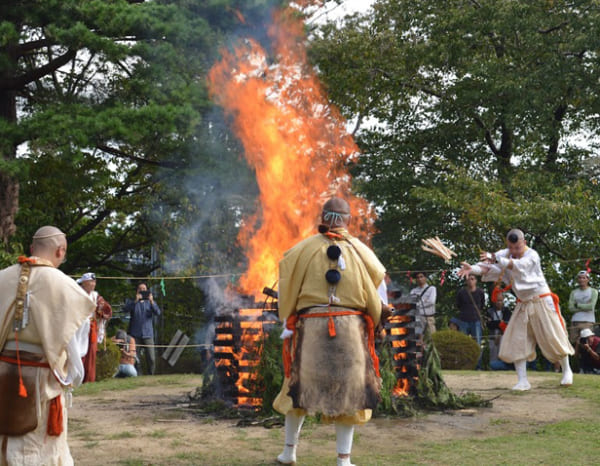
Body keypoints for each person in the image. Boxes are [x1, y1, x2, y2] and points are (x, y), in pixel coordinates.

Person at [274, 197, 386, 466]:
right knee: (350, 392)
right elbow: (378, 287)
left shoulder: (301, 250)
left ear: (323, 217)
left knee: (297, 389)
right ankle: (343, 460)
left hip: (310, 326)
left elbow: (286, 286)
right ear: (348, 220)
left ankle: (289, 453)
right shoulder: (362, 252)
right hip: (350, 329)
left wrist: (287, 317)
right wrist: (377, 317)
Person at [0, 226, 96, 465]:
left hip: (2, 377)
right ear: (60, 251)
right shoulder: (64, 285)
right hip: (42, 383)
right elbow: (74, 344)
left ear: (32, 249)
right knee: (39, 450)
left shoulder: (2, 277)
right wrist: (74, 377)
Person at [459, 228, 574, 390]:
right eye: (511, 248)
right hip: (523, 303)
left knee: (553, 336)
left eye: (517, 248)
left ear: (524, 243)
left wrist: (496, 258)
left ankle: (567, 370)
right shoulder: (503, 254)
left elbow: (519, 266)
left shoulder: (532, 255)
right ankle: (523, 380)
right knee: (516, 340)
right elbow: (488, 268)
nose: (514, 251)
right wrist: (472, 269)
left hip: (541, 299)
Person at [77, 272, 112, 382]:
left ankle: (89, 378)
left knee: (91, 353)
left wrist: (101, 309)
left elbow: (106, 309)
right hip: (78, 327)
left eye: (94, 282)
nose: (93, 284)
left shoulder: (96, 296)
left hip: (91, 327)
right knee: (78, 351)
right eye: (90, 282)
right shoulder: (77, 293)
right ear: (84, 283)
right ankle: (77, 377)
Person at [124, 282, 161, 375]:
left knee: (151, 357)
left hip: (148, 334)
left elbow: (158, 312)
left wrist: (152, 301)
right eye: (140, 289)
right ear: (137, 291)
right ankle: (138, 375)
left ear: (147, 290)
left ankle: (151, 375)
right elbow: (125, 309)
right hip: (135, 334)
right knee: (136, 357)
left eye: (144, 289)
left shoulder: (150, 302)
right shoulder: (132, 301)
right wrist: (135, 301)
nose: (142, 291)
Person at [568, 271, 598, 345]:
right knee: (574, 343)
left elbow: (591, 307)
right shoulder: (574, 292)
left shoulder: (593, 291)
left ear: (588, 279)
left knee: (587, 343)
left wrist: (577, 305)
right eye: (580, 278)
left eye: (584, 278)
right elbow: (570, 308)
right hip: (575, 321)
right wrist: (585, 306)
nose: (581, 280)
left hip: (587, 321)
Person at [455, 274, 485, 345]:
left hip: (476, 320)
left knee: (477, 342)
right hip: (463, 320)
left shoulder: (480, 292)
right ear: (466, 281)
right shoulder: (461, 292)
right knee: (462, 343)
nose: (470, 281)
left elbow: (482, 305)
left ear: (476, 281)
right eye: (468, 279)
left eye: (472, 279)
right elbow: (458, 305)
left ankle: (478, 356)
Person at [486, 292, 513, 370]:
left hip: (504, 336)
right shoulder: (489, 311)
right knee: (493, 355)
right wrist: (499, 322)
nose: (499, 302)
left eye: (500, 300)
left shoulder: (507, 311)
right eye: (497, 300)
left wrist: (495, 323)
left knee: (503, 354)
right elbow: (489, 325)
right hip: (492, 336)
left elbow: (507, 323)